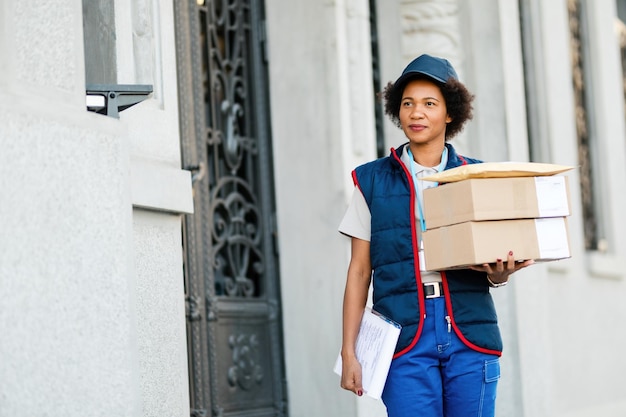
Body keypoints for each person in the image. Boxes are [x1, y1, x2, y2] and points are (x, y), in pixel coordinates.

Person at [338, 54, 534, 417]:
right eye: (408, 103)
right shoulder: (371, 181)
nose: (416, 113)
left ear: (449, 113)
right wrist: (349, 351)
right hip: (404, 335)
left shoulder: (478, 177)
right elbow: (359, 271)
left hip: (468, 330)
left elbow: (492, 264)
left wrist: (501, 272)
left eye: (429, 104)